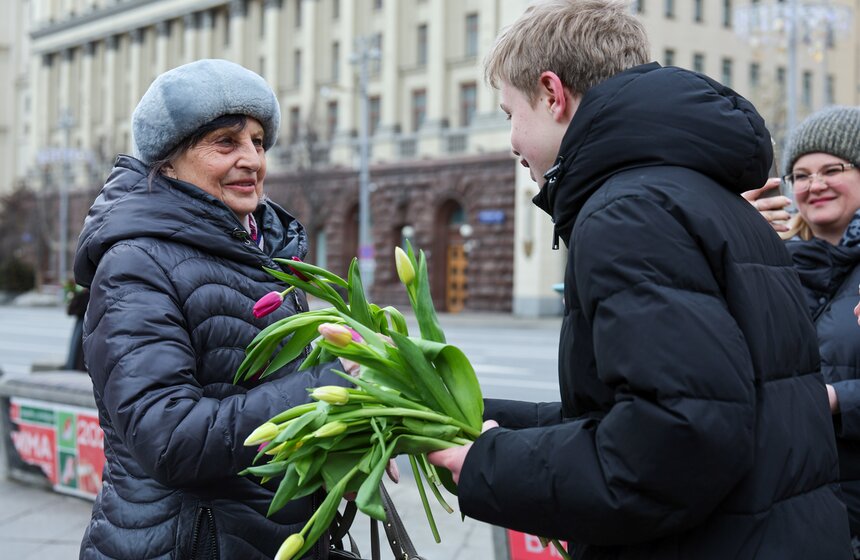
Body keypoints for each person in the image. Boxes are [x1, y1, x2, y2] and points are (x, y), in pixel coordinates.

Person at [427, 1, 851, 557]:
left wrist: (492, 466)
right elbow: (668, 405)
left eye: (510, 113)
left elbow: (677, 440)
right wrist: (470, 417)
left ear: (553, 94)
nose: (511, 141)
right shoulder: (695, 194)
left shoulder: (628, 212)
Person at [74, 59, 354, 560]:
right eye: (225, 142)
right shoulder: (136, 263)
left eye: (259, 142)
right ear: (170, 161)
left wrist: (343, 445)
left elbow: (264, 402)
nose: (252, 159)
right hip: (187, 545)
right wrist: (327, 389)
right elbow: (168, 437)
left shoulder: (268, 254)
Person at [744, 105, 860, 555]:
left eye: (834, 168)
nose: (815, 185)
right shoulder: (774, 264)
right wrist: (729, 237)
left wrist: (836, 400)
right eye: (802, 174)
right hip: (790, 512)